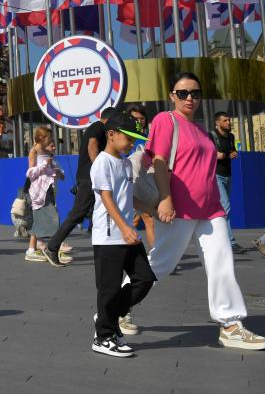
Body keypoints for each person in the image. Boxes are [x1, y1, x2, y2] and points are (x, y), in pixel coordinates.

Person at [146, 71, 265, 350]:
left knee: (222, 263)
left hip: (210, 209)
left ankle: (230, 324)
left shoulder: (202, 130)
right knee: (159, 265)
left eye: (195, 93)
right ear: (172, 96)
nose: (190, 98)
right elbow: (160, 159)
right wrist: (165, 199)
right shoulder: (166, 120)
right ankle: (114, 309)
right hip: (179, 208)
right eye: (183, 93)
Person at [90, 111, 157, 357]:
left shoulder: (126, 163)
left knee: (145, 278)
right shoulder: (102, 162)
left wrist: (153, 210)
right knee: (108, 289)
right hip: (109, 237)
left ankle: (106, 317)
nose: (132, 143)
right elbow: (107, 198)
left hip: (128, 235)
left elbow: (128, 198)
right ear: (111, 135)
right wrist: (126, 227)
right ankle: (103, 336)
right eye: (128, 138)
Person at [39, 107, 118, 267]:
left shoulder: (102, 130)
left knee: (99, 213)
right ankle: (52, 247)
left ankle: (107, 251)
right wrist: (99, 170)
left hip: (90, 178)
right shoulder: (98, 127)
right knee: (78, 213)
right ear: (109, 119)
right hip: (89, 179)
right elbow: (92, 145)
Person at [24, 126, 69, 263]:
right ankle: (58, 247)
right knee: (54, 217)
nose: (51, 142)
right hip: (38, 191)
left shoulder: (49, 154)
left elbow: (56, 171)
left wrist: (58, 172)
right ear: (41, 138)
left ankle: (31, 250)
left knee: (38, 221)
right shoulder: (34, 152)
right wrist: (44, 166)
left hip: (48, 189)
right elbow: (30, 174)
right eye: (49, 138)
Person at [209, 112, 243, 253]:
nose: (228, 122)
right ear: (218, 123)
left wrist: (233, 154)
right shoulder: (211, 136)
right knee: (226, 207)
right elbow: (206, 153)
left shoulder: (231, 136)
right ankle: (230, 241)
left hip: (228, 174)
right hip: (216, 174)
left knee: (223, 209)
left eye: (229, 120)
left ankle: (218, 238)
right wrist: (215, 155)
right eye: (225, 120)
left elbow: (232, 151)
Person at [126, 105, 155, 248]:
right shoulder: (124, 136)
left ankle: (153, 256)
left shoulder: (149, 138)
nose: (139, 121)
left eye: (141, 118)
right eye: (135, 118)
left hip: (147, 181)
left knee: (142, 219)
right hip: (130, 182)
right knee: (142, 219)